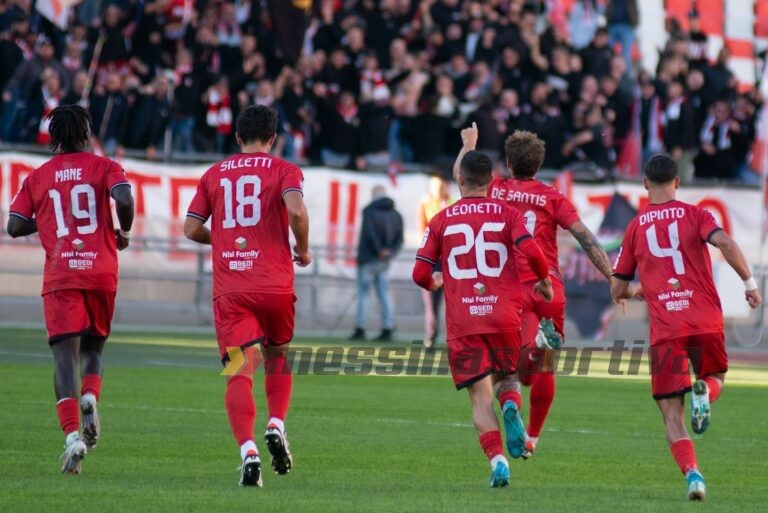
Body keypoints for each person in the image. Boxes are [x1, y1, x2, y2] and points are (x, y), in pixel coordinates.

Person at [611, 155, 762, 500]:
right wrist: (750, 284)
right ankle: (706, 393)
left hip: (667, 328)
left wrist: (635, 290)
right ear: (677, 182)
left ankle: (694, 476)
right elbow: (725, 243)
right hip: (704, 319)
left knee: (671, 413)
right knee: (717, 377)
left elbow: (618, 289)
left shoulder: (636, 227)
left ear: (646, 184)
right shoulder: (697, 215)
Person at [457, 127, 613, 458]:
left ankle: (532, 360)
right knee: (545, 368)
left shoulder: (495, 189)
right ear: (538, 165)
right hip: (550, 287)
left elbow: (462, 177)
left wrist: (469, 144)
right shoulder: (552, 196)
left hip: (515, 287)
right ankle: (534, 437)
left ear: (509, 164)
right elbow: (584, 236)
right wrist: (612, 277)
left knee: (509, 373)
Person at [413, 139, 553, 488]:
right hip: (504, 314)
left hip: (464, 320)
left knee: (479, 396)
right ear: (492, 182)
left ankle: (498, 460)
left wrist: (436, 281)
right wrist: (545, 280)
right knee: (507, 378)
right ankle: (511, 406)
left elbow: (418, 273)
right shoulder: (508, 214)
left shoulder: (441, 218)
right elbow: (532, 251)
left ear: (459, 181)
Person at [184, 105, 311, 487]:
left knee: (239, 371)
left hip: (233, 288)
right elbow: (297, 211)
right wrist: (302, 249)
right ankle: (276, 422)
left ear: (237, 137)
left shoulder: (213, 175)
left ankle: (248, 451)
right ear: (273, 138)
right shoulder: (285, 170)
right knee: (278, 356)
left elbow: (191, 229)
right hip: (274, 284)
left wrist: (222, 240)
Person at [6, 105, 134, 474]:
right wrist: (122, 233)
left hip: (62, 273)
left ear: (53, 138)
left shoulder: (39, 176)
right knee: (94, 348)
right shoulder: (106, 167)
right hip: (101, 270)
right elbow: (124, 199)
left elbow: (14, 226)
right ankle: (90, 395)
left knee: (65, 356)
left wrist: (45, 217)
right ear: (86, 132)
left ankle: (72, 438)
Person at [349, 185, 404, 342]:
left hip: (368, 258)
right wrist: (389, 252)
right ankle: (388, 327)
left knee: (363, 295)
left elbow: (369, 233)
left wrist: (379, 250)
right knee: (384, 294)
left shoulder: (369, 211)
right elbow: (399, 239)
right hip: (384, 261)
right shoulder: (396, 214)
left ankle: (360, 328)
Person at [417, 176, 454, 351]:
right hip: (433, 260)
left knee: (454, 302)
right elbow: (423, 231)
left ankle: (454, 337)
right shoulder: (426, 204)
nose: (439, 191)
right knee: (431, 303)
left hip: (450, 260)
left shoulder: (454, 204)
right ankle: (430, 336)